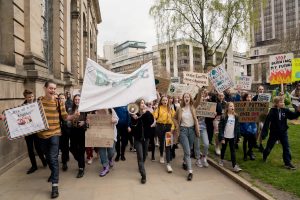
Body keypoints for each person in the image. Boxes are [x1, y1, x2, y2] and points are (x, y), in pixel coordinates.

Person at [37, 80, 79, 198]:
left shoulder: (59, 102)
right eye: (51, 88)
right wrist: (7, 117)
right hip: (42, 135)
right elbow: (26, 114)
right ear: (45, 88)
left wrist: (74, 116)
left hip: (55, 133)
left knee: (53, 158)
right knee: (48, 157)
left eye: (54, 89)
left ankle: (55, 186)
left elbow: (65, 117)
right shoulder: (38, 101)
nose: (53, 90)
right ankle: (53, 172)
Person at [261, 96, 300, 170]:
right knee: (269, 147)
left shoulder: (285, 110)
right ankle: (265, 155)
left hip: (283, 132)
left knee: (286, 147)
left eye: (283, 102)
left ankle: (287, 163)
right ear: (276, 103)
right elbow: (267, 122)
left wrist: (298, 112)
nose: (283, 103)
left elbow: (292, 116)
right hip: (274, 133)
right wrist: (264, 133)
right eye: (281, 102)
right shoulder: (272, 111)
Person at [174, 88, 201, 181]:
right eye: (185, 97)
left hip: (192, 131)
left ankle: (185, 162)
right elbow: (174, 118)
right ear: (183, 99)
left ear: (190, 98)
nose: (186, 98)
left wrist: (200, 91)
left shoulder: (193, 107)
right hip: (183, 131)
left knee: (189, 149)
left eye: (188, 97)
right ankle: (190, 172)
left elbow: (198, 100)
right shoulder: (179, 109)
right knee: (188, 152)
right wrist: (177, 124)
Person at [130, 99, 155, 184]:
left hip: (146, 138)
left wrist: (146, 113)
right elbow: (132, 126)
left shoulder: (147, 113)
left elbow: (151, 122)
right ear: (138, 105)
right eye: (141, 103)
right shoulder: (134, 114)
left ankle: (141, 165)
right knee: (140, 156)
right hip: (138, 139)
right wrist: (134, 118)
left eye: (144, 103)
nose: (143, 104)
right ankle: (143, 175)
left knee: (145, 154)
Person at [23, 90, 47, 174]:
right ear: (25, 97)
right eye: (29, 97)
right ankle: (34, 166)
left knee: (39, 148)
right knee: (30, 149)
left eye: (32, 96)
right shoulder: (22, 107)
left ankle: (43, 160)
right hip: (28, 132)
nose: (31, 98)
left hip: (37, 131)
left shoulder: (38, 104)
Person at [153, 95, 176, 173]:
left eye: (166, 100)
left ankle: (168, 164)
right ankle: (161, 155)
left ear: (168, 101)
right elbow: (154, 116)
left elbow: (174, 119)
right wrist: (155, 110)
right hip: (160, 127)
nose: (165, 101)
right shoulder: (158, 108)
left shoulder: (171, 109)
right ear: (161, 101)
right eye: (163, 100)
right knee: (161, 142)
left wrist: (172, 128)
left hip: (168, 128)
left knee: (168, 145)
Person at [218, 102, 242, 173]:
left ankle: (234, 166)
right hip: (225, 136)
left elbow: (237, 127)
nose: (232, 107)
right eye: (230, 106)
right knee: (224, 149)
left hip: (232, 137)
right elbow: (221, 127)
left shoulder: (236, 116)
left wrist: (238, 136)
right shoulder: (224, 116)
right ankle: (221, 160)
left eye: (233, 106)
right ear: (227, 108)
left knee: (233, 151)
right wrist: (222, 138)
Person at [69, 94, 88, 178]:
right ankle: (80, 160)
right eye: (75, 99)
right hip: (73, 130)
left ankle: (81, 168)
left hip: (82, 131)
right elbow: (68, 118)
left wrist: (84, 122)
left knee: (81, 149)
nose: (77, 101)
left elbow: (89, 119)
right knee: (72, 148)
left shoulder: (85, 109)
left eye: (78, 99)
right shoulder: (71, 109)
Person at [97, 109, 118, 177]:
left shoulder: (111, 109)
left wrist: (114, 120)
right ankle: (105, 167)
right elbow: (91, 120)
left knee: (111, 152)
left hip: (111, 134)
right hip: (100, 135)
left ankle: (110, 159)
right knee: (102, 151)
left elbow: (117, 119)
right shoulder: (96, 109)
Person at [240, 93, 257, 161]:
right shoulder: (241, 105)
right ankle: (245, 155)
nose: (249, 98)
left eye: (250, 97)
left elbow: (258, 113)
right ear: (245, 98)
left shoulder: (254, 105)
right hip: (244, 125)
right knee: (246, 140)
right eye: (247, 97)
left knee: (252, 140)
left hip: (252, 125)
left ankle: (249, 152)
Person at [58, 93, 71, 171]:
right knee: (62, 147)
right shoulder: (56, 108)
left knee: (66, 146)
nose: (61, 100)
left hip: (67, 129)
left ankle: (65, 161)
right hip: (58, 129)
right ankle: (64, 160)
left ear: (65, 99)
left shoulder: (68, 107)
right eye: (60, 98)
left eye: (63, 98)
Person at [252, 85, 266, 152]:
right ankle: (255, 143)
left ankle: (259, 144)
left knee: (261, 130)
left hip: (263, 117)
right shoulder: (254, 98)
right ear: (257, 90)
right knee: (257, 131)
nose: (261, 90)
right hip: (257, 117)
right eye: (260, 89)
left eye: (262, 89)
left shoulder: (265, 97)